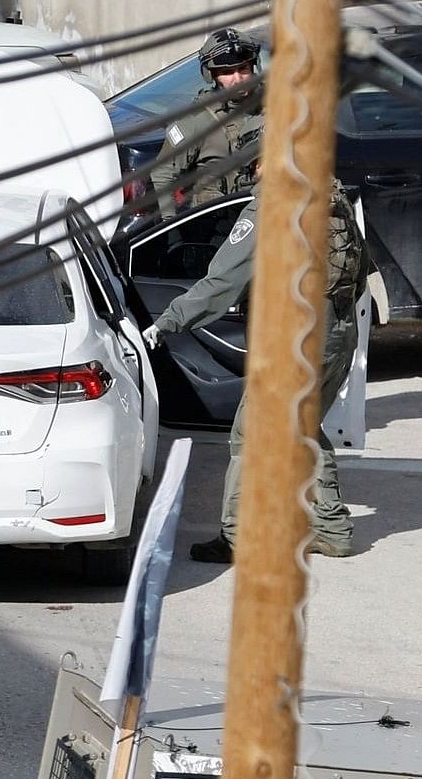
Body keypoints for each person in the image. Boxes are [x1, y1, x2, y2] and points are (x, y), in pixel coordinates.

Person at [144, 112, 369, 565]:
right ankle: (333, 528)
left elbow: (220, 285)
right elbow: (358, 270)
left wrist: (165, 322)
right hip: (338, 331)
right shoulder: (332, 194)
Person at [141, 27, 264, 212]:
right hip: (221, 223)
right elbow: (163, 173)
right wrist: (173, 227)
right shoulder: (197, 119)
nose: (238, 79)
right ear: (213, 75)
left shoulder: (274, 100)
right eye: (228, 72)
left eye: (243, 69)